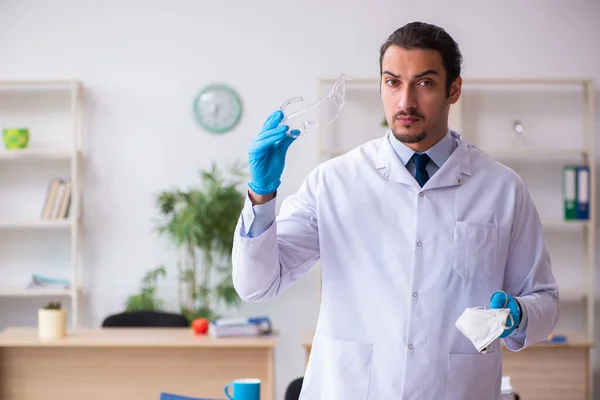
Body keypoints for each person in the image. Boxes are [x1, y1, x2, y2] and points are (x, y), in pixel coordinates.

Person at [231, 21, 559, 400]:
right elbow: (256, 285)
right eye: (392, 82)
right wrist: (261, 194)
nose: (405, 102)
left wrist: (518, 315)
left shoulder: (502, 189)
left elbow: (545, 301)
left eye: (424, 83)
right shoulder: (334, 182)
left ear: (454, 89)